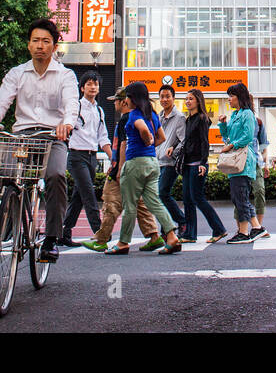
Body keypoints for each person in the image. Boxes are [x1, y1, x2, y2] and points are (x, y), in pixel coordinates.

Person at [0, 17, 81, 265]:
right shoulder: (17, 73)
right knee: (6, 173)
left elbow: (71, 102)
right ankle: (13, 217)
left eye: (45, 41)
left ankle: (51, 238)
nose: (40, 45)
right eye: (35, 40)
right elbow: (3, 100)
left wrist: (67, 123)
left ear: (54, 46)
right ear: (28, 45)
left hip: (52, 136)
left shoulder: (65, 75)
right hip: (23, 135)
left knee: (56, 175)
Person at [104, 82, 183, 255]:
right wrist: (150, 145)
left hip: (135, 163)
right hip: (152, 162)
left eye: (127, 97)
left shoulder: (134, 115)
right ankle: (171, 236)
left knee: (130, 204)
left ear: (133, 98)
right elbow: (161, 137)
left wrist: (146, 138)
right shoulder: (153, 115)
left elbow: (143, 129)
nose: (125, 101)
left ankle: (123, 242)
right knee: (154, 202)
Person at [83, 97, 162, 253]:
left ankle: (102, 240)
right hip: (136, 166)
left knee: (111, 202)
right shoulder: (144, 116)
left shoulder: (127, 119)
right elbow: (158, 138)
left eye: (116, 100)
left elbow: (123, 145)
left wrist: (118, 169)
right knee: (139, 203)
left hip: (124, 169)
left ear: (124, 102)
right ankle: (154, 236)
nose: (114, 103)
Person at [60, 70, 111, 248]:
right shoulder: (76, 108)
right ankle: (100, 234)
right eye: (89, 84)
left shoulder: (99, 110)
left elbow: (103, 138)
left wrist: (113, 159)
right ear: (82, 88)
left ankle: (64, 233)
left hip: (92, 157)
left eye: (95, 84)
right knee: (88, 193)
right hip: (76, 156)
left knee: (78, 198)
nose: (93, 87)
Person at [218, 82, 265, 242]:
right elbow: (227, 137)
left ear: (240, 97)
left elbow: (246, 137)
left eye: (231, 96)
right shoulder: (235, 115)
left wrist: (231, 145)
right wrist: (223, 125)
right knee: (238, 197)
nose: (229, 99)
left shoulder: (247, 114)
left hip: (243, 161)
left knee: (240, 196)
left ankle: (246, 231)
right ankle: (254, 228)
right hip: (236, 161)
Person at [180, 88, 228, 243]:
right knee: (187, 199)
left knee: (198, 198)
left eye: (191, 99)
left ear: (198, 101)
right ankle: (190, 234)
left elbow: (204, 142)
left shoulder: (202, 118)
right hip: (187, 163)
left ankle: (219, 229)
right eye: (186, 99)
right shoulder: (188, 119)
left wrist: (203, 162)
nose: (187, 101)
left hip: (197, 164)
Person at [156, 82, 189, 239]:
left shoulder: (180, 117)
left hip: (171, 162)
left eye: (168, 96)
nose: (164, 99)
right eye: (162, 97)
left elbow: (184, 141)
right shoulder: (159, 116)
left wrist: (173, 151)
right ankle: (166, 230)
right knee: (159, 196)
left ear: (173, 98)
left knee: (162, 193)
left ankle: (182, 221)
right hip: (158, 162)